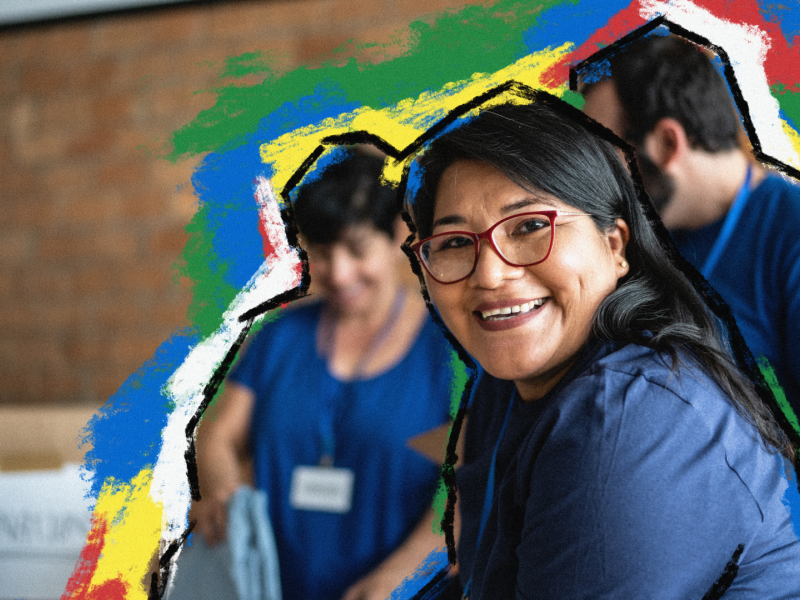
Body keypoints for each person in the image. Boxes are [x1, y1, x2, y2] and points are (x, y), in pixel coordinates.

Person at [407, 98, 800, 599]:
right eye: (455, 242)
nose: (490, 274)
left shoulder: (626, 411)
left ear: (614, 245)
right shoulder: (502, 389)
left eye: (530, 226)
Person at [192, 149, 455, 600]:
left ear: (397, 234)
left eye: (356, 249)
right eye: (322, 251)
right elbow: (218, 437)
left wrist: (393, 581)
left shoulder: (449, 352)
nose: (338, 272)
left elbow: (463, 496)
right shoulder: (279, 338)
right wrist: (225, 495)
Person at [580, 33, 800, 416]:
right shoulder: (639, 237)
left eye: (605, 156)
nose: (594, 181)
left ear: (666, 144)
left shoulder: (789, 237)